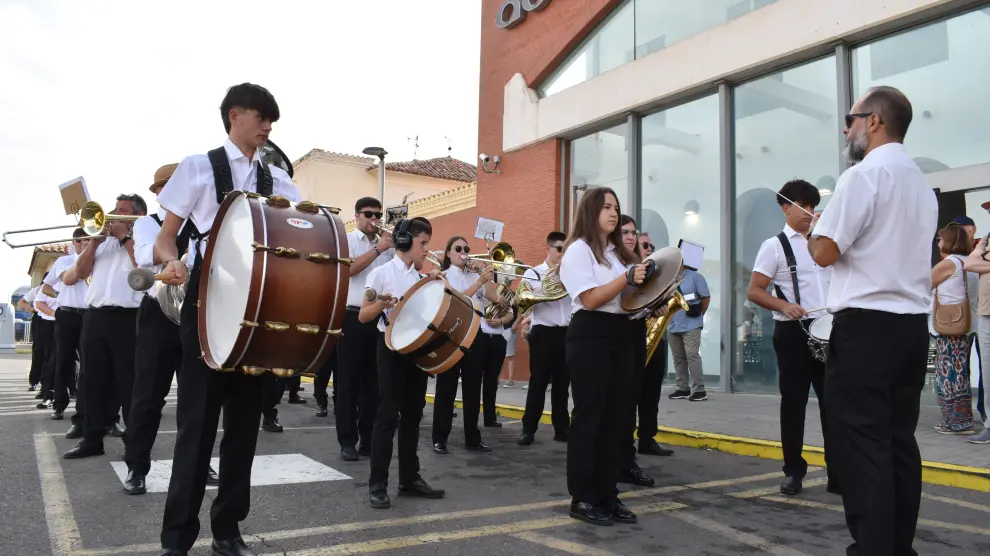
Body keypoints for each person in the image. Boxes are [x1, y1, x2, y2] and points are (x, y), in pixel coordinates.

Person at [154, 82, 297, 556]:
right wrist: (169, 262)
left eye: (272, 120)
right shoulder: (198, 166)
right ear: (235, 114)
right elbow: (166, 237)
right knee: (197, 426)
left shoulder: (278, 180)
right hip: (206, 300)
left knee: (242, 430)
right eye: (262, 117)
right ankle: (177, 538)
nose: (268, 127)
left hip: (259, 308)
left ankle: (227, 531)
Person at [808, 85, 937, 556]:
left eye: (852, 119)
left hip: (866, 327)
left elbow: (824, 252)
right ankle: (899, 548)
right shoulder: (921, 185)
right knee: (899, 442)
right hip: (910, 327)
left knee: (863, 447)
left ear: (875, 121)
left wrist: (812, 230)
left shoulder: (863, 176)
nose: (847, 129)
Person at [122, 163, 219, 495]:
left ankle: (197, 460)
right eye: (168, 187)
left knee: (199, 399)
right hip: (158, 315)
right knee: (148, 395)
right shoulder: (149, 223)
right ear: (162, 193)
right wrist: (172, 259)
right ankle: (136, 466)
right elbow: (145, 256)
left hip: (197, 313)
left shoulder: (206, 225)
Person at [558, 187, 649, 526]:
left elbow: (627, 298)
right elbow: (592, 299)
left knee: (617, 418)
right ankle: (583, 497)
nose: (613, 213)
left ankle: (608, 495)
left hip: (620, 333)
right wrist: (626, 278)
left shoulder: (617, 254)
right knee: (590, 416)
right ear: (591, 211)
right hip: (590, 334)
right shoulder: (578, 251)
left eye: (616, 207)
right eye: (606, 207)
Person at [747, 179, 837, 496]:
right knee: (794, 403)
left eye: (813, 207)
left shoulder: (825, 242)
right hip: (793, 332)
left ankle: (837, 472)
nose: (809, 212)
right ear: (785, 208)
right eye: (802, 206)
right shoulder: (774, 247)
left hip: (827, 329)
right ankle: (793, 471)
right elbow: (755, 290)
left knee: (833, 404)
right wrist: (785, 305)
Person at [359, 217, 446, 509]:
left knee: (413, 415)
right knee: (387, 416)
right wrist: (382, 304)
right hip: (391, 350)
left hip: (416, 352)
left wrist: (436, 286)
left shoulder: (422, 279)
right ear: (406, 241)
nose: (426, 250)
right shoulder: (381, 273)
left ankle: (409, 478)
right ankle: (377, 484)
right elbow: (363, 316)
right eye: (423, 244)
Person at [61, 194, 147, 460]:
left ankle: (134, 448)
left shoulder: (143, 240)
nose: (112, 215)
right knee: (92, 382)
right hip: (95, 317)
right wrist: (94, 242)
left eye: (121, 211)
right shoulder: (102, 243)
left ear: (136, 217)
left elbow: (144, 267)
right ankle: (92, 439)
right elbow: (77, 275)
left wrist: (125, 238)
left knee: (129, 384)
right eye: (114, 210)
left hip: (128, 318)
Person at [336, 197, 394, 460]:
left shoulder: (388, 244)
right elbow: (346, 270)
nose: (374, 219)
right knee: (347, 381)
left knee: (374, 383)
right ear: (357, 216)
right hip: (350, 316)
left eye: (377, 214)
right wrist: (379, 250)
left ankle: (368, 438)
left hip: (379, 318)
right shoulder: (346, 240)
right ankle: (347, 440)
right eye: (368, 214)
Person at [432, 235, 496, 453]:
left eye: (466, 248)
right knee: (446, 388)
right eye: (458, 248)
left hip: (475, 332)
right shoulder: (443, 275)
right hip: (451, 333)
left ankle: (473, 438)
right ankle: (440, 438)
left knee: (472, 388)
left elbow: (495, 298)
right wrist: (478, 282)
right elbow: (456, 299)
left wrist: (484, 275)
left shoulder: (473, 275)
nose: (463, 252)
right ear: (448, 253)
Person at [517, 231, 572, 446]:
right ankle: (528, 429)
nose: (562, 253)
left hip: (566, 332)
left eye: (565, 250)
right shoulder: (534, 273)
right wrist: (527, 316)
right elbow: (523, 303)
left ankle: (562, 429)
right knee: (538, 383)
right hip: (543, 332)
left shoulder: (571, 273)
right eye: (559, 249)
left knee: (562, 384)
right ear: (548, 248)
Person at [929, 224, 979, 434]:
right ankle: (963, 418)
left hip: (949, 326)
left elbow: (923, 284)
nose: (938, 242)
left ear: (948, 241)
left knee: (948, 373)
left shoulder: (949, 263)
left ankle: (955, 423)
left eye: (940, 238)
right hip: (967, 325)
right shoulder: (970, 261)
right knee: (961, 373)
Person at [43, 229, 89, 421]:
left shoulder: (98, 258)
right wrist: (59, 296)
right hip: (68, 314)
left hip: (89, 315)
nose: (87, 244)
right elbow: (51, 285)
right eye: (84, 241)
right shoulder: (64, 261)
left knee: (90, 363)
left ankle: (87, 408)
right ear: (76, 243)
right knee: (64, 361)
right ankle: (59, 405)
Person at [634, 232, 673, 458]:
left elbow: (669, 303)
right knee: (633, 391)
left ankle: (647, 438)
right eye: (645, 245)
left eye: (652, 245)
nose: (650, 249)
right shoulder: (630, 273)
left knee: (652, 393)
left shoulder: (658, 275)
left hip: (657, 338)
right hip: (636, 338)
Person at [666, 265, 711, 402]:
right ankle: (683, 388)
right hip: (673, 324)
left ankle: (699, 390)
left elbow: (705, 297)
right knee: (678, 358)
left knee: (692, 355)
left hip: (691, 325)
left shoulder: (695, 277)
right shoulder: (668, 278)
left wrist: (699, 315)